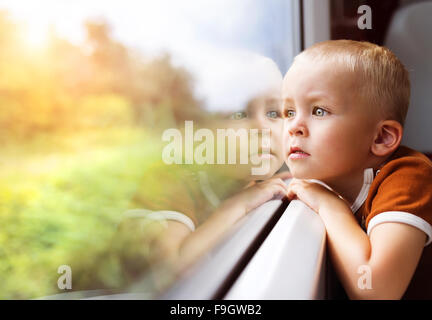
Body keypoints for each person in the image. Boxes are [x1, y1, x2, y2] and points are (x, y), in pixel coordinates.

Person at [118, 53, 291, 290]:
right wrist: (240, 204)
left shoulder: (255, 179)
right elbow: (172, 267)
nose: (262, 128)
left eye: (274, 113)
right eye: (239, 114)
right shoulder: (171, 179)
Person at [275, 40, 432, 299]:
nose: (294, 127)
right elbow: (292, 184)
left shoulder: (410, 177)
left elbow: (376, 290)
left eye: (319, 111)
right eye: (289, 111)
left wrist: (329, 205)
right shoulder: (328, 173)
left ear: (381, 138)